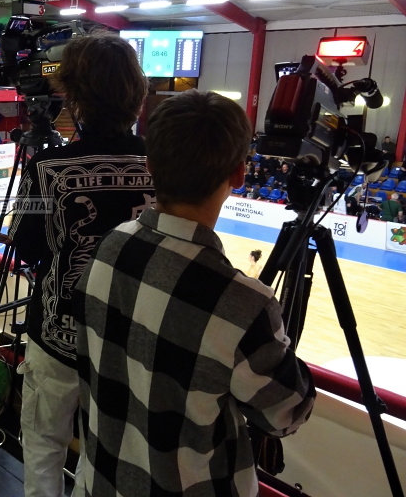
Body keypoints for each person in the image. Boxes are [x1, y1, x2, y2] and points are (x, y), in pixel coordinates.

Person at [74, 90, 315, 497]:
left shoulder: (110, 245)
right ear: (239, 174)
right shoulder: (242, 303)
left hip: (100, 482)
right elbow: (287, 414)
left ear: (150, 165)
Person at [9, 31, 155, 497]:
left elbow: (25, 247)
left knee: (43, 443)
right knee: (106, 452)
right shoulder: (163, 164)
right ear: (137, 94)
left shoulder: (46, 168)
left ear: (72, 96)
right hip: (131, 343)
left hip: (57, 336)